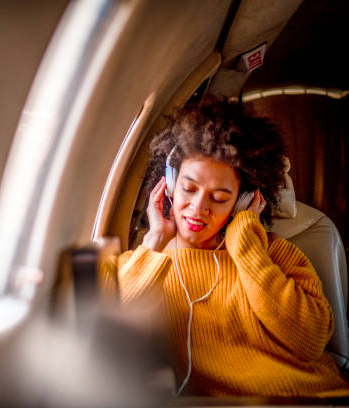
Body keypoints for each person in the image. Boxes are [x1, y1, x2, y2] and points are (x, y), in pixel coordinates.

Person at [116, 97, 349, 397]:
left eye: (220, 196)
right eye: (189, 188)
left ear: (242, 200)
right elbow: (106, 337)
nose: (198, 209)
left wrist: (246, 244)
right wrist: (154, 242)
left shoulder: (275, 253)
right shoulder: (144, 263)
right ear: (171, 183)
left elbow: (310, 342)